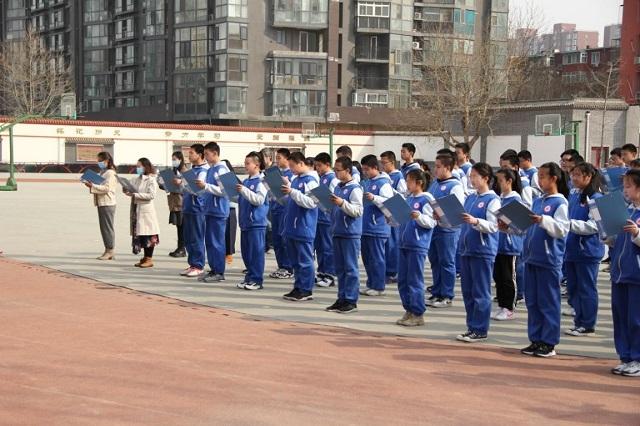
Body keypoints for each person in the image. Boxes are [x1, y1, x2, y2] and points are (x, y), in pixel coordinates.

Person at [520, 162, 570, 358]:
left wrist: (543, 220)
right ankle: (536, 339)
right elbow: (527, 227)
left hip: (549, 259)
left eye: (542, 176)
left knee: (548, 301)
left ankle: (548, 342)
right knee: (533, 302)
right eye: (538, 176)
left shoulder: (560, 203)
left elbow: (562, 229)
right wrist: (509, 227)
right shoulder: (538, 201)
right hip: (532, 257)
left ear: (553, 179)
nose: (539, 180)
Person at [457, 163, 500, 343]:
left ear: (486, 178)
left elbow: (494, 226)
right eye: (470, 176)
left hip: (482, 250)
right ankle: (471, 326)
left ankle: (480, 328)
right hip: (467, 249)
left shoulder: (493, 200)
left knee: (481, 292)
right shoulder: (471, 198)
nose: (471, 179)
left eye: (475, 176)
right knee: (468, 291)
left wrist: (476, 221)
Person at [564, 162, 604, 336]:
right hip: (571, 248)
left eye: (578, 175)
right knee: (573, 288)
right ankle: (579, 321)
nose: (574, 178)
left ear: (588, 177)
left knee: (586, 288)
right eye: (573, 175)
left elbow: (594, 226)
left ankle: (587, 323)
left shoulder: (596, 198)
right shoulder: (574, 194)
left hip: (588, 250)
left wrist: (569, 225)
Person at [609, 169, 640, 377]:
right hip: (619, 273)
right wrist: (607, 236)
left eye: (629, 186)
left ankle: (637, 358)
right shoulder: (626, 211)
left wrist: (637, 233)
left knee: (636, 319)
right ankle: (625, 356)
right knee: (620, 317)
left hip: (636, 275)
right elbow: (616, 241)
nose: (625, 190)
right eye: (625, 186)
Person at [396, 169, 436, 327]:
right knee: (403, 280)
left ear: (419, 183)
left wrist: (418, 216)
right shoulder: (409, 199)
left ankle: (418, 313)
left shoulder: (427, 199)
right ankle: (408, 309)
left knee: (415, 280)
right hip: (404, 243)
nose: (407, 184)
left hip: (417, 245)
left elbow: (431, 222)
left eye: (409, 181)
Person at [325, 156, 364, 314]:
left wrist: (342, 203)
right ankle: (341, 298)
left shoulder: (355, 188)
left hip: (350, 233)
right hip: (338, 231)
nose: (335, 173)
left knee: (350, 268)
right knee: (340, 269)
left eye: (338, 170)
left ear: (347, 170)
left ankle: (351, 300)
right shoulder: (339, 187)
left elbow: (358, 211)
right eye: (334, 170)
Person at [427, 153, 465, 308]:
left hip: (448, 229)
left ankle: (447, 295)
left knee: (447, 261)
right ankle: (437, 291)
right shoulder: (435, 184)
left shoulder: (455, 186)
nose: (435, 170)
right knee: (435, 261)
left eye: (438, 167)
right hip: (434, 227)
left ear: (448, 167)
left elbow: (457, 210)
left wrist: (441, 213)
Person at [282, 152, 320, 301]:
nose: (291, 169)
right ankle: (298, 286)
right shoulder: (296, 179)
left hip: (304, 226)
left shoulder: (311, 180)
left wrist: (292, 192)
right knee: (295, 260)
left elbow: (311, 203)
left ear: (301, 163)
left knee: (304, 260)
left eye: (292, 166)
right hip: (293, 226)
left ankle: (306, 289)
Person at [359, 154, 393, 296]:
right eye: (363, 170)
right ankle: (371, 283)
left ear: (375, 168)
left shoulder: (383, 183)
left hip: (377, 227)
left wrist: (375, 198)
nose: (365, 172)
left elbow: (389, 203)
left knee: (377, 258)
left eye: (367, 169)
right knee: (367, 258)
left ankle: (379, 286)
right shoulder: (366, 182)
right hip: (365, 226)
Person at [196, 142, 229, 283]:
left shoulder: (222, 169)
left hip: (218, 211)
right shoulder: (211, 169)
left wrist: (206, 186)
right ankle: (214, 268)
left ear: (215, 153)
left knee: (217, 242)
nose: (205, 157)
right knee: (210, 242)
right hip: (210, 210)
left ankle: (219, 271)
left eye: (207, 154)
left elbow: (225, 191)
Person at [493, 168, 523, 321]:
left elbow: (520, 224)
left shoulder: (515, 199)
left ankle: (509, 307)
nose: (497, 184)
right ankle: (501, 304)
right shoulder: (499, 198)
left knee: (508, 277)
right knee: (498, 276)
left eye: (500, 181)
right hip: (498, 243)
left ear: (509, 181)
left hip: (510, 245)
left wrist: (507, 225)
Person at [236, 151, 269, 290]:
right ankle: (249, 277)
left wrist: (244, 191)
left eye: (248, 163)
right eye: (245, 163)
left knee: (256, 252)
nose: (245, 166)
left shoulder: (262, 182)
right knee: (247, 253)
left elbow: (259, 200)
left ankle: (257, 279)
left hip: (256, 223)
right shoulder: (246, 181)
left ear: (257, 165)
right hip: (245, 223)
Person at [177, 144, 209, 277]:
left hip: (198, 208)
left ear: (200, 154)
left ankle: (198, 265)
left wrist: (183, 184)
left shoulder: (204, 170)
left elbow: (198, 189)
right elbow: (185, 189)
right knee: (189, 238)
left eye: (191, 153)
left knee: (197, 237)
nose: (189, 156)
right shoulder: (192, 169)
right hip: (188, 207)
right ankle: (192, 264)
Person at [124, 158, 160, 268]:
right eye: (137, 166)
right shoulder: (136, 179)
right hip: (136, 209)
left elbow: (151, 195)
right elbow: (130, 188)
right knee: (141, 235)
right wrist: (125, 189)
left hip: (146, 211)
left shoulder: (151, 179)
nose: (137, 168)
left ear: (146, 166)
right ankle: (145, 258)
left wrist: (135, 194)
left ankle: (149, 258)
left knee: (148, 235)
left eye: (139, 166)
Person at [380, 150, 407, 284]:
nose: (382, 166)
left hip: (395, 210)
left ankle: (393, 271)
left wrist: (392, 191)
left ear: (392, 162)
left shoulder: (398, 177)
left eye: (385, 163)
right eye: (381, 163)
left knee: (393, 242)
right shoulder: (384, 177)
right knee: (388, 242)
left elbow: (403, 194)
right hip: (387, 211)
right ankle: (387, 269)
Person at [85, 152, 118, 260]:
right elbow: (100, 185)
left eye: (100, 160)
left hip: (107, 203)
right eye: (98, 160)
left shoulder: (110, 173)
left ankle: (110, 250)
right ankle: (107, 249)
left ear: (106, 161)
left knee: (107, 228)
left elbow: (107, 188)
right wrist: (91, 184)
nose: (98, 162)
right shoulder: (103, 172)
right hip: (102, 202)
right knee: (104, 227)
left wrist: (92, 185)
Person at [314, 152, 339, 288]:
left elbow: (333, 198)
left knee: (328, 247)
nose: (317, 168)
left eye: (319, 165)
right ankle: (322, 272)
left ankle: (330, 274)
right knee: (320, 248)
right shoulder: (321, 178)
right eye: (316, 166)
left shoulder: (332, 179)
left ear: (327, 165)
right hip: (319, 217)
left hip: (328, 218)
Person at [269, 148, 294, 279]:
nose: (277, 160)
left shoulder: (291, 175)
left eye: (279, 158)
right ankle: (281, 266)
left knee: (284, 239)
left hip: (285, 210)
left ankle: (288, 267)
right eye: (276, 158)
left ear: (287, 159)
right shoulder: (276, 173)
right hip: (275, 208)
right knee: (277, 240)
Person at [165, 151, 187, 258]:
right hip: (174, 202)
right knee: (179, 226)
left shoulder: (184, 171)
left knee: (182, 226)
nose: (173, 161)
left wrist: (180, 183)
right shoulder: (174, 171)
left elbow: (188, 187)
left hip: (181, 202)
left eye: (175, 159)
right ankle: (180, 247)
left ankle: (182, 248)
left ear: (180, 159)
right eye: (172, 159)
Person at [223, 159, 237, 265]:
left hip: (230, 208)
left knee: (230, 233)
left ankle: (229, 254)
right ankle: (223, 253)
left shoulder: (232, 178)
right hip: (221, 208)